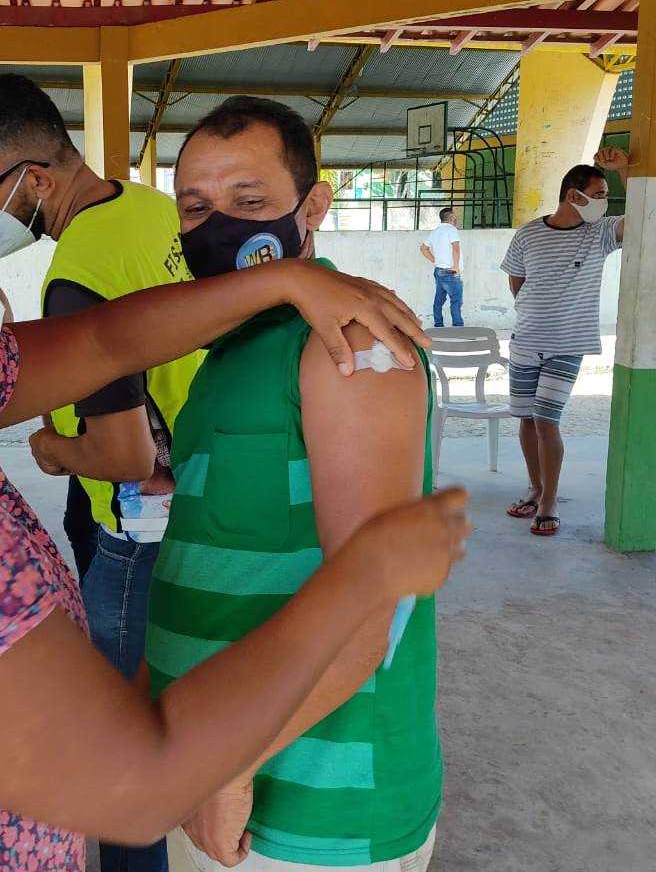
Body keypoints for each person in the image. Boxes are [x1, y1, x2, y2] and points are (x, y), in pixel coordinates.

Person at [0, 38, 470, 872]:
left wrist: (277, 283)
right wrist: (371, 569)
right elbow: (135, 784)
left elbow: (102, 339)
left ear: (313, 206)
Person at [145, 97, 447, 872]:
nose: (220, 227)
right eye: (197, 207)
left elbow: (372, 597)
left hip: (309, 814)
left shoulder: (349, 342)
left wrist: (229, 769)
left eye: (250, 203)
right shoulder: (232, 345)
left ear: (313, 205)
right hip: (217, 775)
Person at [0, 77, 202, 872]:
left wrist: (52, 452)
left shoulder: (75, 274)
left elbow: (120, 453)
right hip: (195, 497)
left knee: (117, 750)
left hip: (130, 524)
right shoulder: (149, 206)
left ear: (36, 181)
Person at [502, 148, 626, 537]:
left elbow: (644, 213)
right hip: (525, 342)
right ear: (574, 196)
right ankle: (535, 488)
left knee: (546, 419)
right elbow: (516, 282)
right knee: (525, 418)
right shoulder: (528, 234)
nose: (604, 204)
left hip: (568, 345)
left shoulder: (601, 234)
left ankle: (549, 502)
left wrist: (623, 171)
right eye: (600, 194)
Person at [419, 206, 463, 327]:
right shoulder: (451, 230)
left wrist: (436, 261)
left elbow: (423, 248)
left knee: (439, 300)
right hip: (451, 272)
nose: (456, 219)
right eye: (455, 216)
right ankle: (458, 328)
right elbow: (456, 248)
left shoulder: (435, 232)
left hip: (439, 271)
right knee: (456, 301)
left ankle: (438, 325)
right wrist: (456, 266)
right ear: (451, 217)